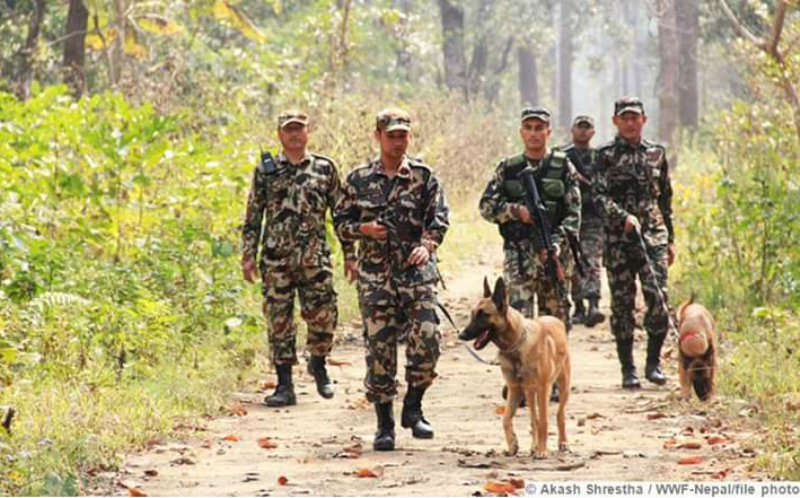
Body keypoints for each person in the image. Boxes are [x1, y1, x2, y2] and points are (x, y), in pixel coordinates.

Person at [334, 108, 449, 452]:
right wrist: (362, 230)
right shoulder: (357, 179)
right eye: (392, 135)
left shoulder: (423, 176)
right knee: (380, 349)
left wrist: (427, 246)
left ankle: (413, 406)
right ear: (378, 136)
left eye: (403, 135)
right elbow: (340, 222)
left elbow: (439, 218)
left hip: (415, 274)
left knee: (428, 341)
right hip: (376, 276)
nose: (398, 142)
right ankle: (384, 425)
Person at [241, 110, 355, 407]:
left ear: (308, 132)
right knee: (279, 321)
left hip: (314, 259)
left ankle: (318, 363)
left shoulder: (324, 169)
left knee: (324, 316)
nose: (294, 134)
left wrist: (350, 255)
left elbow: (341, 214)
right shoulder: (267, 171)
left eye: (299, 129)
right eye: (288, 129)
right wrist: (248, 256)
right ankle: (284, 384)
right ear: (280, 134)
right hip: (276, 261)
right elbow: (254, 215)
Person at [479, 107, 581, 402]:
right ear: (522, 132)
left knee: (556, 319)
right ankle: (518, 382)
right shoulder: (508, 168)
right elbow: (486, 206)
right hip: (519, 257)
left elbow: (575, 212)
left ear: (549, 132)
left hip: (554, 256)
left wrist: (558, 242)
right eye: (529, 128)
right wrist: (514, 211)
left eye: (540, 128)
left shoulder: (564, 167)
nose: (535, 133)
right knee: (516, 323)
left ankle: (554, 378)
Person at [593, 97, 676, 389]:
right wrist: (623, 216)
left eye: (634, 117)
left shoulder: (656, 153)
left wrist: (671, 239)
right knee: (622, 303)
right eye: (624, 117)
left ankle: (653, 363)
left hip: (653, 235)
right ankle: (627, 368)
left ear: (644, 119)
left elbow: (665, 198)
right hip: (619, 240)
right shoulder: (603, 155)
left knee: (658, 295)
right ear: (615, 120)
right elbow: (598, 197)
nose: (630, 122)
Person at [560, 115, 606, 328]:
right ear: (572, 130)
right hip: (569, 216)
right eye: (580, 127)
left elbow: (604, 187)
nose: (583, 131)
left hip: (593, 217)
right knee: (572, 261)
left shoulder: (600, 158)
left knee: (592, 260)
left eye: (587, 128)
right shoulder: (562, 156)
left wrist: (584, 181)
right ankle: (578, 306)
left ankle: (594, 304)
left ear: (593, 132)